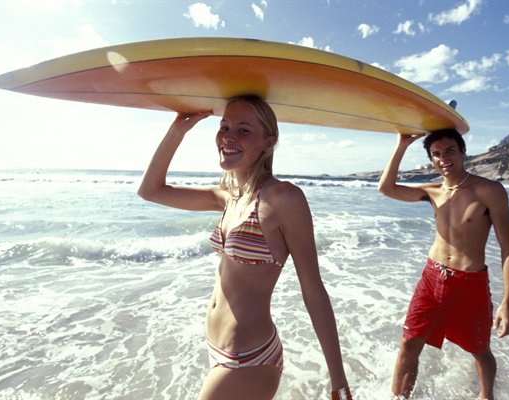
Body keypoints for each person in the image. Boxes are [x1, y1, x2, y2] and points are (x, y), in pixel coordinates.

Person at [138, 95, 352, 400]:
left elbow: (313, 289)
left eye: (243, 130)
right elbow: (149, 191)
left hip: (250, 359)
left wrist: (338, 382)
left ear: (268, 141)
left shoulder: (284, 199)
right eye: (224, 127)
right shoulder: (226, 196)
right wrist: (178, 129)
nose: (228, 137)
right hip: (216, 350)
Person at [378, 129, 509, 400]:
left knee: (479, 351)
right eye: (436, 154)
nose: (443, 158)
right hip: (431, 279)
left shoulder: (489, 191)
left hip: (469, 284)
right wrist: (402, 145)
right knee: (408, 343)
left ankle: (486, 396)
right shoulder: (432, 192)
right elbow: (386, 188)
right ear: (431, 160)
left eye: (450, 150)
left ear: (463, 152)